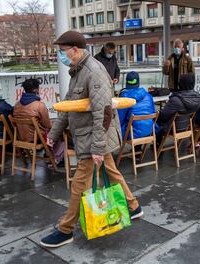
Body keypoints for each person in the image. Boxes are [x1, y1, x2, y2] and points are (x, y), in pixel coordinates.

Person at [40, 30, 141, 248]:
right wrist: (54, 134)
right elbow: (68, 106)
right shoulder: (78, 71)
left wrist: (96, 147)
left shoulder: (93, 72)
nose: (61, 55)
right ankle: (133, 206)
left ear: (75, 50)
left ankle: (65, 229)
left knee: (79, 184)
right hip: (92, 137)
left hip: (93, 139)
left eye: (62, 51)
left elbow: (103, 112)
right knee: (112, 173)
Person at [156, 73, 200, 143]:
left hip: (173, 128)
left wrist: (158, 113)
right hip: (187, 127)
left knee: (155, 122)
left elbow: (163, 115)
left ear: (180, 84)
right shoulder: (197, 98)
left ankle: (158, 145)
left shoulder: (176, 100)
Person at [118, 71, 156, 139]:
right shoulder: (148, 96)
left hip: (132, 133)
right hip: (149, 131)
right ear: (138, 82)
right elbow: (153, 112)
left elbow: (119, 119)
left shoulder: (124, 97)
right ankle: (137, 147)